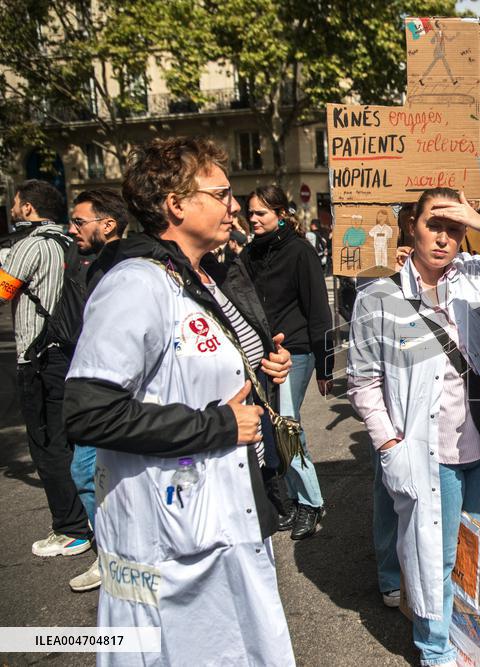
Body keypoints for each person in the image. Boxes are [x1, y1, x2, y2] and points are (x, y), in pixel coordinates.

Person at [62, 136, 295, 664]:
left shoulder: (202, 277)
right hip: (166, 526)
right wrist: (217, 426)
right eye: (222, 193)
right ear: (176, 204)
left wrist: (261, 370)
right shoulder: (135, 284)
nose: (233, 205)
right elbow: (87, 411)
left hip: (224, 503)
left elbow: (200, 368)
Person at [347, 187, 480, 667]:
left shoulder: (479, 280)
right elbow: (362, 382)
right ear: (412, 226)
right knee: (436, 554)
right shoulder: (378, 298)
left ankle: (467, 638)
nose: (445, 238)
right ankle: (434, 647)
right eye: (435, 225)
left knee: (476, 549)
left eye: (455, 228)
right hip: (429, 452)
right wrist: (388, 443)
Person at [0, 180, 93, 560]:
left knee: (46, 444)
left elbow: (3, 291)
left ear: (27, 208)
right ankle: (85, 515)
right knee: (68, 438)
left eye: (16, 202)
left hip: (38, 356)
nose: (12, 208)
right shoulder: (68, 242)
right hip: (69, 350)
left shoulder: (31, 245)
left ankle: (70, 530)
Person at [244, 185, 332, 539]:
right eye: (250, 213)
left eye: (260, 213)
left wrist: (326, 366)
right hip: (262, 355)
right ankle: (295, 499)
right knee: (273, 429)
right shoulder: (249, 253)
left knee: (286, 426)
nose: (253, 219)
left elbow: (318, 312)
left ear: (281, 214)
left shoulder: (300, 251)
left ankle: (312, 503)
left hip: (296, 351)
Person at [63, 188, 131, 592]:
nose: (72, 229)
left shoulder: (127, 267)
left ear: (108, 224)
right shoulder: (95, 263)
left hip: (112, 393)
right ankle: (113, 554)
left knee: (86, 470)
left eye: (79, 221)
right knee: (93, 473)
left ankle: (114, 557)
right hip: (95, 385)